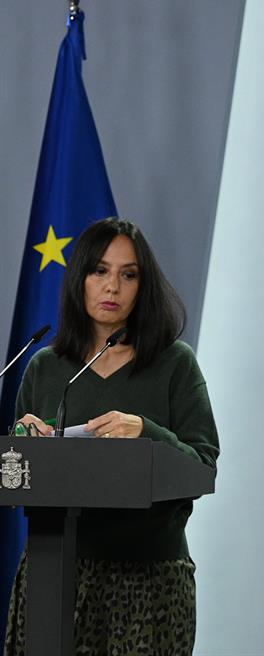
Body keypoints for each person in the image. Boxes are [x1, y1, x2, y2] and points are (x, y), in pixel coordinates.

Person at [5, 217, 219, 656]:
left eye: (128, 275)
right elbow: (19, 475)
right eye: (99, 271)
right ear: (79, 278)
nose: (112, 287)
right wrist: (25, 443)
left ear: (144, 287)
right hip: (55, 576)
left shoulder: (175, 363)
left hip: (149, 581)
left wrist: (147, 431)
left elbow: (202, 465)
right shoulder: (45, 368)